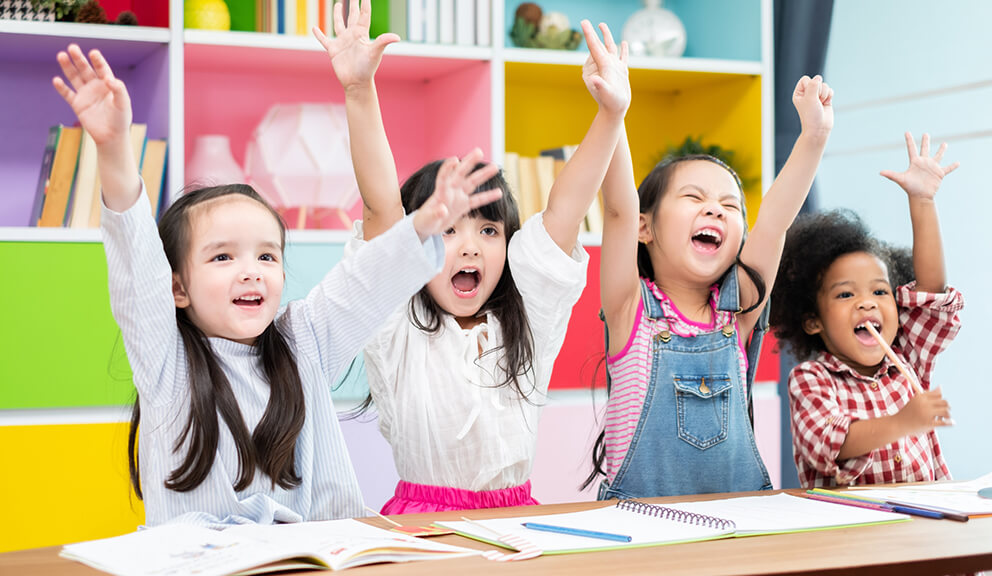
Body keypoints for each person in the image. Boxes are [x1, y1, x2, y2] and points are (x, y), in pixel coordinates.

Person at [52, 43, 501, 526]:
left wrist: (424, 226)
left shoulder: (302, 340)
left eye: (267, 255)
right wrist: (115, 152)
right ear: (177, 289)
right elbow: (138, 271)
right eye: (222, 256)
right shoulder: (166, 362)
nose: (251, 271)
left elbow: (365, 284)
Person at [313, 0, 629, 512]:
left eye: (487, 229)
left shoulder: (530, 317)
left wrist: (611, 114)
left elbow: (565, 209)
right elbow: (380, 207)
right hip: (423, 525)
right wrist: (358, 89)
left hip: (517, 523)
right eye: (447, 228)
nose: (469, 245)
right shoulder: (398, 323)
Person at [590, 74, 834, 499]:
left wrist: (814, 135)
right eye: (693, 198)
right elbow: (617, 211)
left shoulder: (736, 313)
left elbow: (775, 222)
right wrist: (614, 112)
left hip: (738, 522)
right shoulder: (630, 307)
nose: (715, 211)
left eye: (729, 205)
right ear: (645, 228)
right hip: (642, 532)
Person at [771, 132, 962, 488]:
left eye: (879, 290)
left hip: (923, 523)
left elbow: (931, 292)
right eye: (845, 295)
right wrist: (901, 423)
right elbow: (827, 443)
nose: (867, 302)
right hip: (850, 533)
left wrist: (922, 201)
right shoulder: (811, 379)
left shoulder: (909, 361)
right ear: (812, 320)